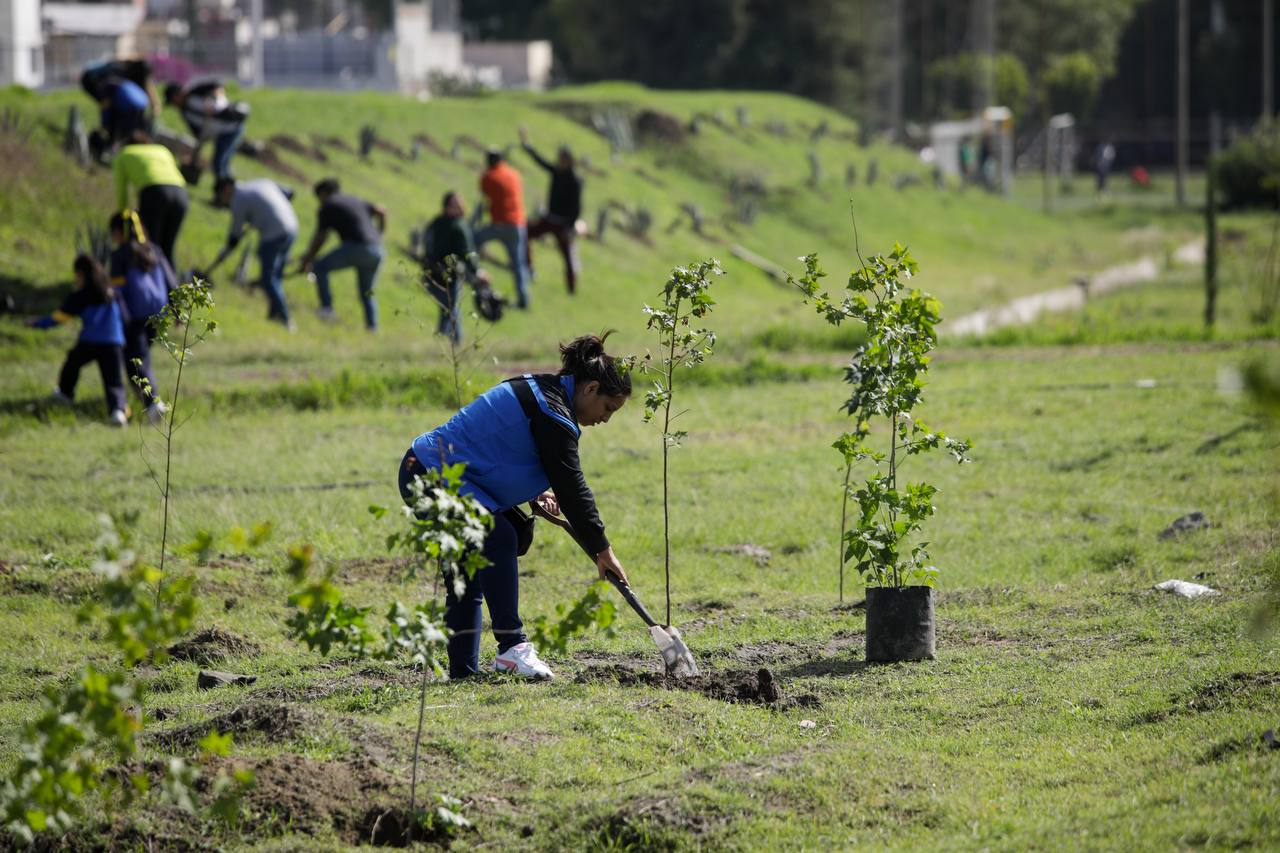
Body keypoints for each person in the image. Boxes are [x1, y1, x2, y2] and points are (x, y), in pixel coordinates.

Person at [398, 333, 632, 679]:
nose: (606, 419)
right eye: (608, 408)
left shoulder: (545, 393)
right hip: (428, 475)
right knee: (499, 536)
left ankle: (462, 673)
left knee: (468, 572)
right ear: (590, 389)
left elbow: (503, 446)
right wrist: (602, 549)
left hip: (435, 472)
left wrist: (534, 494)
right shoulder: (553, 413)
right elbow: (572, 487)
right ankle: (512, 647)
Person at [26, 255, 128, 427]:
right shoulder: (110, 291)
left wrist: (36, 323)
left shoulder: (82, 295)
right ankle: (118, 412)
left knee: (72, 363)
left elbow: (59, 317)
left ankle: (65, 395)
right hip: (114, 341)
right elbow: (126, 317)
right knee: (114, 381)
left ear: (80, 274)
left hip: (91, 341)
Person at [205, 177, 299, 329]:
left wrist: (227, 249)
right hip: (292, 227)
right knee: (276, 276)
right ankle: (274, 314)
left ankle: (285, 319)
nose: (224, 202)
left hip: (275, 233)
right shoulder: (260, 183)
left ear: (226, 189)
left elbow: (234, 235)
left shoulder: (238, 199)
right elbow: (289, 193)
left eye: (221, 197)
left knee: (268, 278)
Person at [108, 211, 173, 424]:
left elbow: (117, 290)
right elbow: (170, 279)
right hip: (158, 315)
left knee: (137, 362)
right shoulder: (154, 250)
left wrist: (121, 317)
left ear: (119, 232)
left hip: (133, 318)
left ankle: (154, 403)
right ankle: (148, 405)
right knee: (139, 360)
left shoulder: (120, 255)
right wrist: (177, 310)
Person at [296, 178, 386, 331]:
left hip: (357, 247)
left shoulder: (328, 206)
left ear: (324, 193)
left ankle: (327, 309)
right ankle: (373, 328)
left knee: (320, 267)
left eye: (319, 197)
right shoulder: (354, 199)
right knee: (367, 292)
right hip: (377, 250)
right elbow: (381, 211)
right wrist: (380, 234)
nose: (319, 202)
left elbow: (321, 237)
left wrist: (308, 260)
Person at [519, 126, 582, 295]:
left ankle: (571, 289)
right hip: (549, 219)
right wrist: (527, 146)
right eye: (559, 158)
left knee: (568, 258)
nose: (560, 161)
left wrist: (569, 227)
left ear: (569, 161)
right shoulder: (556, 172)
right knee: (524, 234)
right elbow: (541, 161)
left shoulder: (574, 180)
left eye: (563, 159)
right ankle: (529, 268)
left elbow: (576, 208)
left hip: (563, 225)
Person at [113, 130, 189, 268]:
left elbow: (122, 195)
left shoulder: (124, 154)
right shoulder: (162, 150)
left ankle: (153, 286)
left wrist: (124, 224)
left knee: (152, 246)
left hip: (155, 192)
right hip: (181, 193)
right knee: (168, 248)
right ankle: (173, 287)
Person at [423, 191, 487, 344]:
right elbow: (467, 251)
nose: (457, 207)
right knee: (449, 308)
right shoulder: (457, 225)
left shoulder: (437, 222)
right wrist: (477, 270)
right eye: (453, 204)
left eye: (459, 203)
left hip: (433, 272)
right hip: (445, 274)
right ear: (446, 206)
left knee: (449, 308)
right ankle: (449, 342)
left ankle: (450, 342)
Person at [164, 78, 250, 183]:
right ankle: (224, 186)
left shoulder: (195, 92)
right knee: (219, 162)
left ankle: (226, 187)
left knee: (220, 161)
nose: (174, 105)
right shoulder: (185, 113)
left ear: (177, 95)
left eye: (173, 100)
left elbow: (217, 85)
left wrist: (214, 99)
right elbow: (198, 133)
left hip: (231, 128)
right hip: (219, 134)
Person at [475, 149, 531, 309]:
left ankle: (473, 274)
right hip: (518, 224)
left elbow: (486, 194)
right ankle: (524, 299)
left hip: (500, 224)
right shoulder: (514, 174)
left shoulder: (488, 177)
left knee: (473, 238)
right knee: (518, 264)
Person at [82, 58, 157, 147]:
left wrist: (104, 124)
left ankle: (117, 144)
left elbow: (105, 105)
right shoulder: (120, 78)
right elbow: (106, 104)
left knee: (120, 124)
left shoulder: (113, 82)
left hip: (131, 104)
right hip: (141, 102)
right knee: (125, 124)